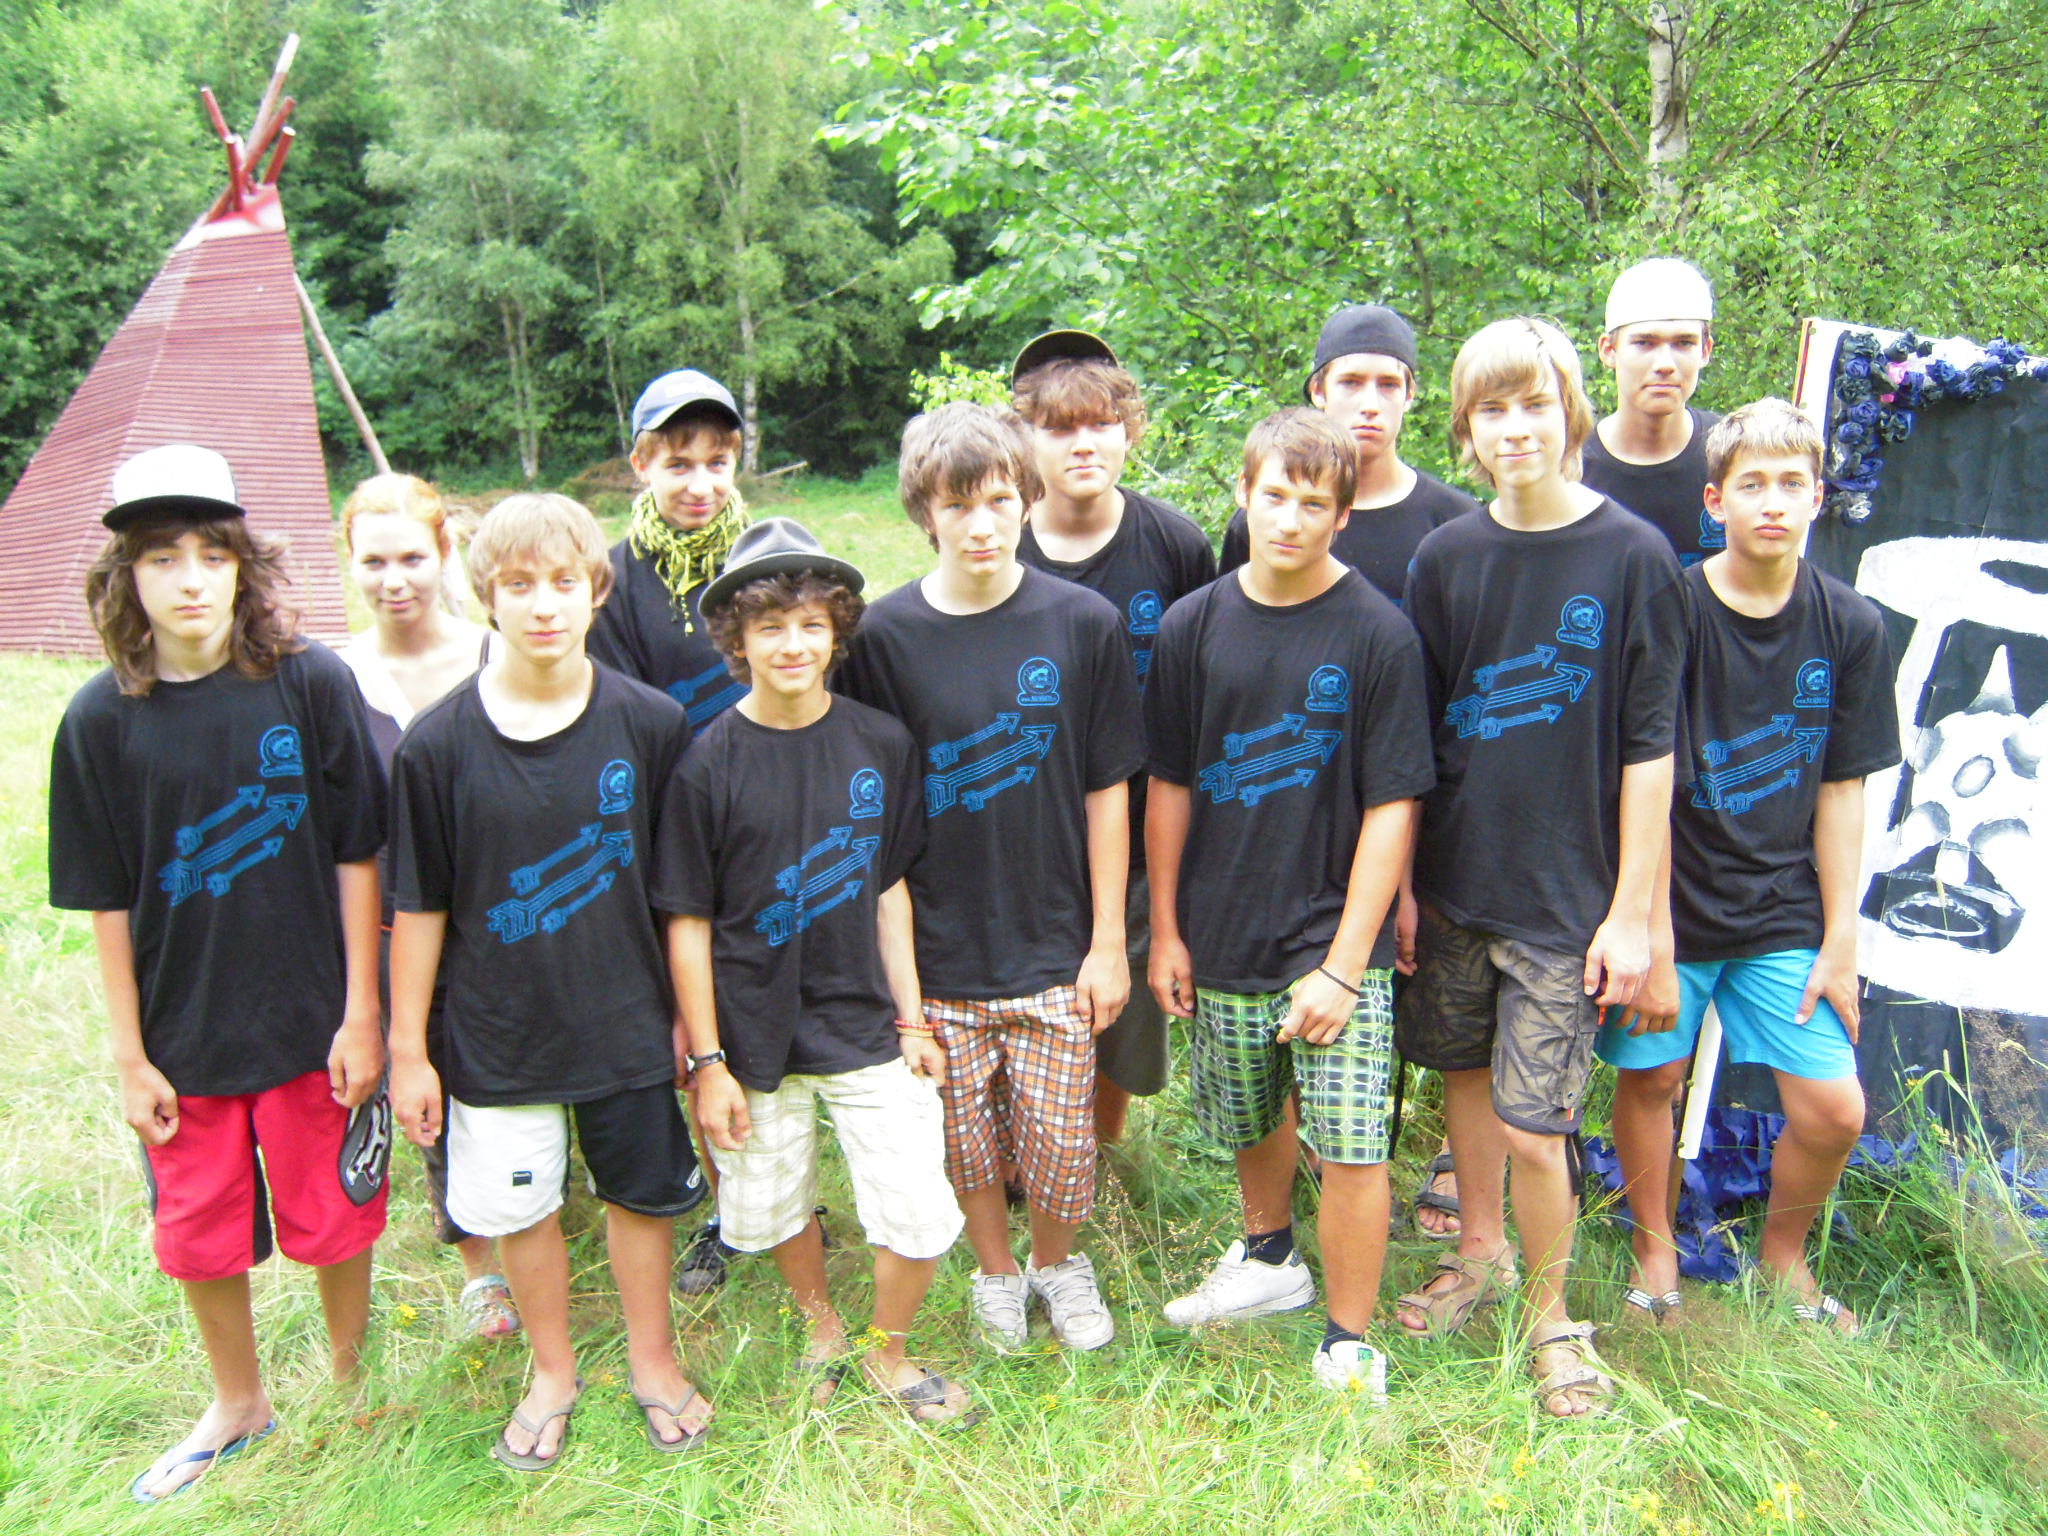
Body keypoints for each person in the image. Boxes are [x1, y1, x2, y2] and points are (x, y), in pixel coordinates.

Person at [48, 444, 388, 1502]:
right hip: (183, 1036)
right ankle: (239, 1403)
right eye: (162, 558)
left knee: (334, 1215)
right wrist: (129, 1055)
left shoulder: (310, 683)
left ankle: (351, 1384)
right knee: (198, 1234)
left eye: (211, 554)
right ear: (126, 577)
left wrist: (362, 1013)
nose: (190, 579)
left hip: (311, 1020)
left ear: (245, 565)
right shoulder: (98, 721)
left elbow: (359, 853)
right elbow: (105, 898)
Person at [1392, 319, 1681, 1418]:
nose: (1515, 429)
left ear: (1571, 413)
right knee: (1464, 1082)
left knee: (1535, 1121)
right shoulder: (1444, 558)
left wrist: (1632, 914)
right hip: (1457, 882)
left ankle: (1553, 1317)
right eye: (1491, 411)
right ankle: (1480, 1255)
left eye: (1534, 405)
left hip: (1567, 899)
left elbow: (1650, 750)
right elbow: (1413, 737)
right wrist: (1408, 885)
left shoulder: (1632, 557)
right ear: (1464, 431)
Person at [387, 493, 711, 1469]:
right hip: (499, 1028)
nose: (542, 605)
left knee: (640, 1194)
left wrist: (690, 1023)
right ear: (483, 594)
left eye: (564, 582)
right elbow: (419, 907)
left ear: (596, 589)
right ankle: (552, 1371)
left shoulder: (651, 723)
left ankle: (653, 1359)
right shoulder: (435, 746)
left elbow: (678, 895)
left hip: (626, 1016)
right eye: (519, 584)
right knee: (522, 1207)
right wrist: (409, 1052)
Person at [837, 403, 1144, 1354]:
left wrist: (1107, 942)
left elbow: (1107, 790)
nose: (981, 525)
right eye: (957, 505)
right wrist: (900, 982)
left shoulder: (1082, 622)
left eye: (1001, 501)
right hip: (943, 949)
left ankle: (1057, 1261)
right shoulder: (882, 638)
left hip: (1056, 940)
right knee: (964, 1137)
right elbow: (875, 815)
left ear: (1028, 499)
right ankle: (997, 1271)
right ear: (923, 512)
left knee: (1061, 1138)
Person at [1144, 410, 1436, 1395]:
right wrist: (1167, 931)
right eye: (1273, 496)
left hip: (1331, 934)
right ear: (1243, 494)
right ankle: (1269, 1256)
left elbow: (1393, 807)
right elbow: (1169, 785)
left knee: (1351, 1142)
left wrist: (1345, 966)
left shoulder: (1377, 634)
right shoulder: (1191, 627)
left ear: (1343, 515)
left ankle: (1346, 1340)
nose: (1289, 519)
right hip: (1221, 922)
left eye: (1314, 504)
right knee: (1249, 1110)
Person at [1594, 399, 1896, 1334]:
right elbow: (1646, 772)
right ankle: (1655, 1248)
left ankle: (1782, 1259)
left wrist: (1840, 938)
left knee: (1834, 1111)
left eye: (1792, 484)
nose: (1773, 502)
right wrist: (1652, 930)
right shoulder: (1673, 608)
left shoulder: (1852, 625)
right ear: (1715, 501)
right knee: (1653, 1081)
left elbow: (1842, 791)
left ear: (1818, 498)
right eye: (1752, 484)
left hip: (1782, 912)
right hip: (1673, 900)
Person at [664, 518, 971, 1421]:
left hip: (868, 1020)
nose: (792, 645)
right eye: (770, 628)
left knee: (916, 1203)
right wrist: (709, 1062)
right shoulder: (706, 764)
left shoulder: (882, 743)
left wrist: (913, 1019)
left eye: (810, 625)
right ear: (738, 641)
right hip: (753, 1030)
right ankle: (821, 1326)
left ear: (838, 632)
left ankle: (888, 1351)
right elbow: (688, 923)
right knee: (773, 1199)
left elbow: (890, 891)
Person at [1012, 329, 1216, 1144]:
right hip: (1026, 828)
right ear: (1025, 439)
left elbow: (1207, 687)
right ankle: (1023, 1153)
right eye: (1060, 427)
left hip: (1138, 832)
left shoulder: (1175, 545)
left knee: (1120, 1017)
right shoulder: (999, 544)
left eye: (1101, 424)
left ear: (1130, 430)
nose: (1084, 444)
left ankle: (1098, 1153)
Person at [337, 473, 518, 1340]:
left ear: (445, 552)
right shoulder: (332, 678)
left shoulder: (499, 654)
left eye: (411, 557)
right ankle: (479, 1261)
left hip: (501, 911)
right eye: (373, 562)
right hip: (391, 923)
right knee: (429, 1072)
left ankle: (544, 1206)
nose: (394, 580)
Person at [586, 367, 749, 1295]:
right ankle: (729, 1209)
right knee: (697, 1023)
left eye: (716, 462)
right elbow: (617, 721)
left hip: (769, 827)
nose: (699, 482)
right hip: (667, 835)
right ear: (641, 462)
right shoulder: (612, 582)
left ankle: (783, 1192)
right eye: (678, 462)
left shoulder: (762, 555)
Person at [1219, 305, 1479, 606]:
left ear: (1409, 396)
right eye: (1350, 383)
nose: (1370, 405)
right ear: (1318, 391)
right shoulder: (1265, 521)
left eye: (1389, 385)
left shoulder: (1454, 521)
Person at [1582, 258, 1721, 565]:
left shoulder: (1735, 458)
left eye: (1683, 343)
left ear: (1705, 350)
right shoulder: (1570, 469)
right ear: (1609, 350)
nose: (1665, 364)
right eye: (1644, 343)